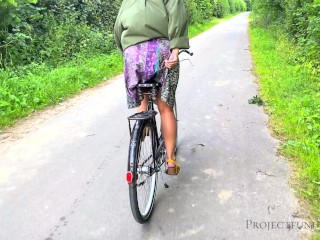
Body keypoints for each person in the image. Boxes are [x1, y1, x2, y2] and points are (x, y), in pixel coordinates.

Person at [114, 0, 189, 175]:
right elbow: (177, 17)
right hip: (161, 52)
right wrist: (176, 51)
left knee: (142, 93)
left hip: (132, 54)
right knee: (165, 109)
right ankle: (170, 161)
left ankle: (141, 127)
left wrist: (126, 53)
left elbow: (118, 28)